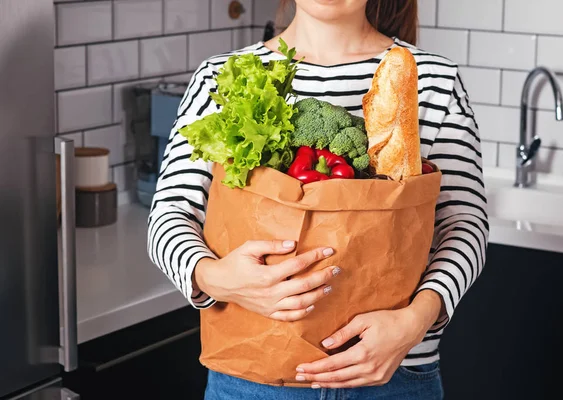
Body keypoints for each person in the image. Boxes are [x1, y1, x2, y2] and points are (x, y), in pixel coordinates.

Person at [147, 0, 489, 398]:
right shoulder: (221, 77)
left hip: (395, 376)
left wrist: (416, 319)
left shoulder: (432, 79)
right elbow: (169, 216)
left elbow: (465, 226)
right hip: (253, 377)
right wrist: (212, 277)